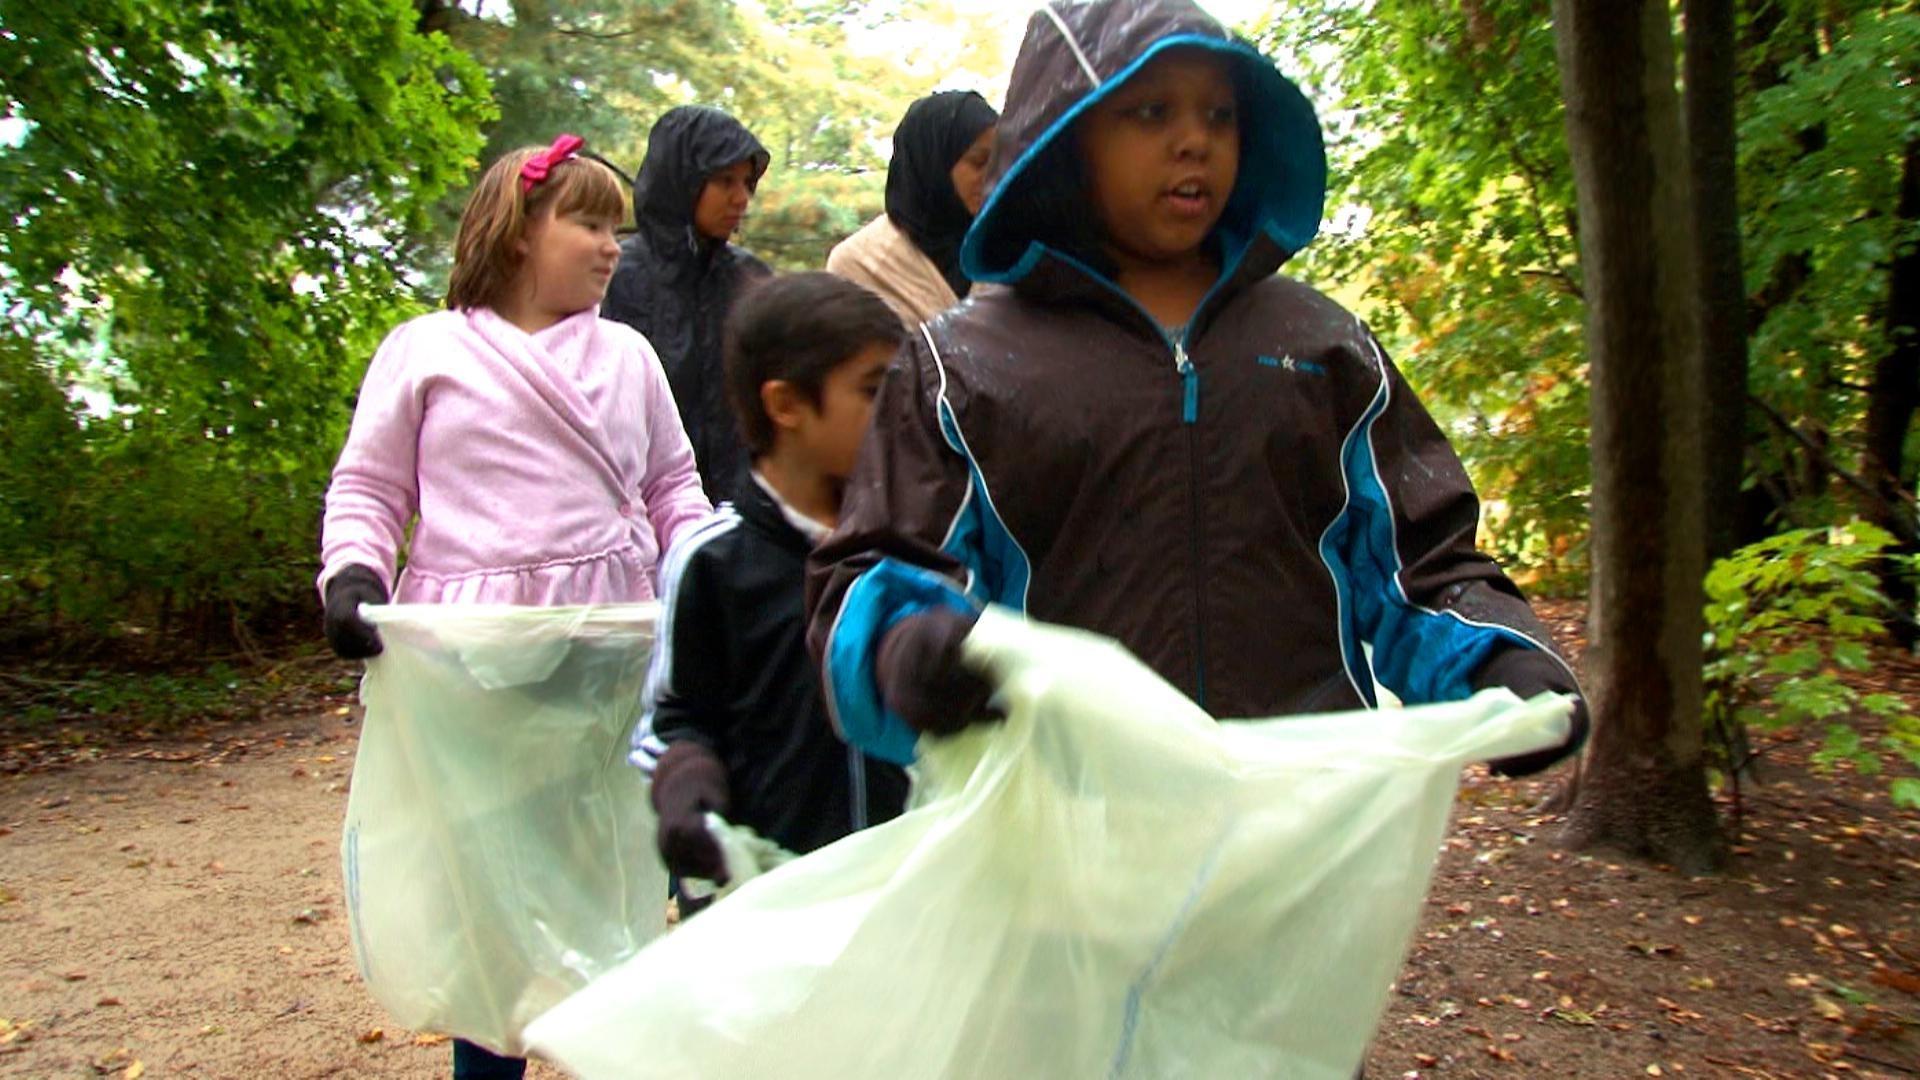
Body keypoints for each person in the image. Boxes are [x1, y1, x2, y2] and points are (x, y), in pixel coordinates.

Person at [806, 0, 1587, 780]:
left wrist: (1502, 663)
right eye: (1151, 111)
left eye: (1221, 114)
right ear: (1066, 135)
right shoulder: (960, 367)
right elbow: (887, 565)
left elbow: (1420, 558)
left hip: (1298, 819)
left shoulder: (1321, 348)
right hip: (1066, 829)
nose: (1195, 141)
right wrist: (902, 649)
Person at [318, 134, 712, 1080]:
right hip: (475, 660)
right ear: (517, 229)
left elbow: (674, 486)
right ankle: (486, 1062)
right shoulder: (425, 352)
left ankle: (607, 1040)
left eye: (616, 227)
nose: (611, 245)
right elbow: (371, 487)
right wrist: (353, 574)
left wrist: (700, 577)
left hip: (607, 648)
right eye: (586, 222)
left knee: (606, 859)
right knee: (493, 887)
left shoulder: (628, 358)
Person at [631, 272, 910, 896]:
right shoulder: (713, 562)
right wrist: (687, 788)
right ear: (786, 406)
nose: (897, 414)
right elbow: (672, 719)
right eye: (873, 391)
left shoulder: (910, 548)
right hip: (764, 906)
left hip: (900, 899)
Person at [603, 105, 773, 503]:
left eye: (748, 183)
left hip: (741, 516)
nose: (741, 198)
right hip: (640, 512)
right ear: (683, 181)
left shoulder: (752, 280)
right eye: (725, 181)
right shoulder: (614, 277)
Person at [826, 89, 999, 326]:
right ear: (933, 163)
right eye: (979, 162)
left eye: (999, 162)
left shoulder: (1006, 251)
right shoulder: (860, 264)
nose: (994, 176)